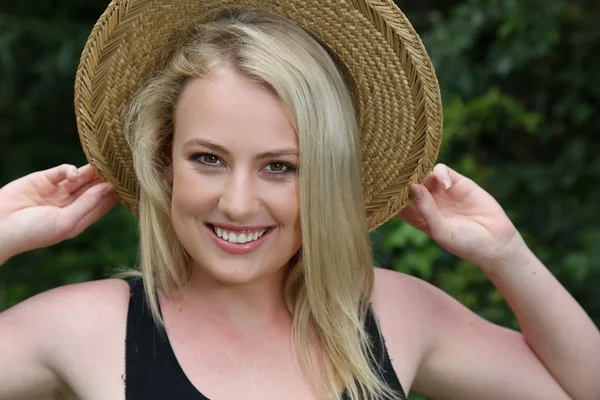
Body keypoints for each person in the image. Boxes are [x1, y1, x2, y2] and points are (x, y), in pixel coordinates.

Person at [1, 1, 599, 400]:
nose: (237, 203)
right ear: (164, 164)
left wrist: (506, 254)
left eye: (280, 167)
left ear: (328, 180)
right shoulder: (88, 326)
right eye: (208, 158)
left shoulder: (393, 316)